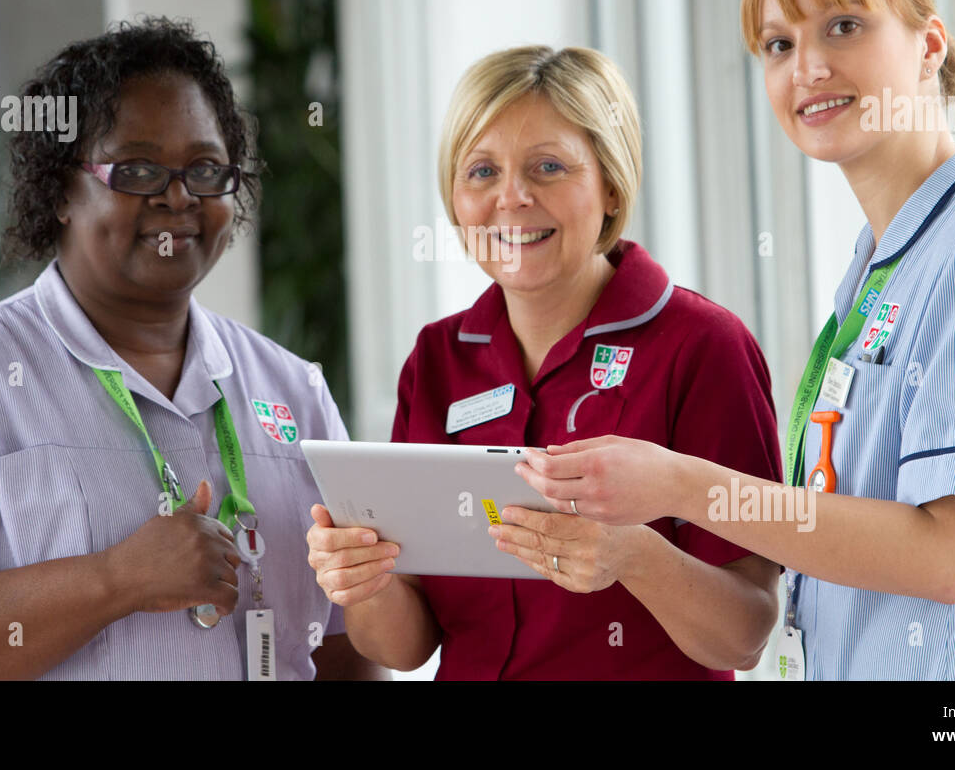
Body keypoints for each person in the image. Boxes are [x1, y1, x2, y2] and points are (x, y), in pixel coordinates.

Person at [515, 0, 955, 680]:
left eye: (843, 26)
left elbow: (947, 555)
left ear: (930, 46)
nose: (808, 68)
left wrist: (681, 485)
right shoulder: (881, 265)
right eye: (779, 44)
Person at [0, 16, 380, 680]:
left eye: (205, 169)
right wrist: (116, 579)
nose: (178, 197)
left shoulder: (294, 391)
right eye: (139, 169)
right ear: (62, 188)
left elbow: (351, 644)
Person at [306, 45, 783, 679]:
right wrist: (360, 580)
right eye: (480, 172)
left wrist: (635, 557)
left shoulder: (702, 348)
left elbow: (743, 636)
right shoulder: (436, 360)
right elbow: (403, 646)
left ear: (611, 186)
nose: (513, 198)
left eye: (549, 166)